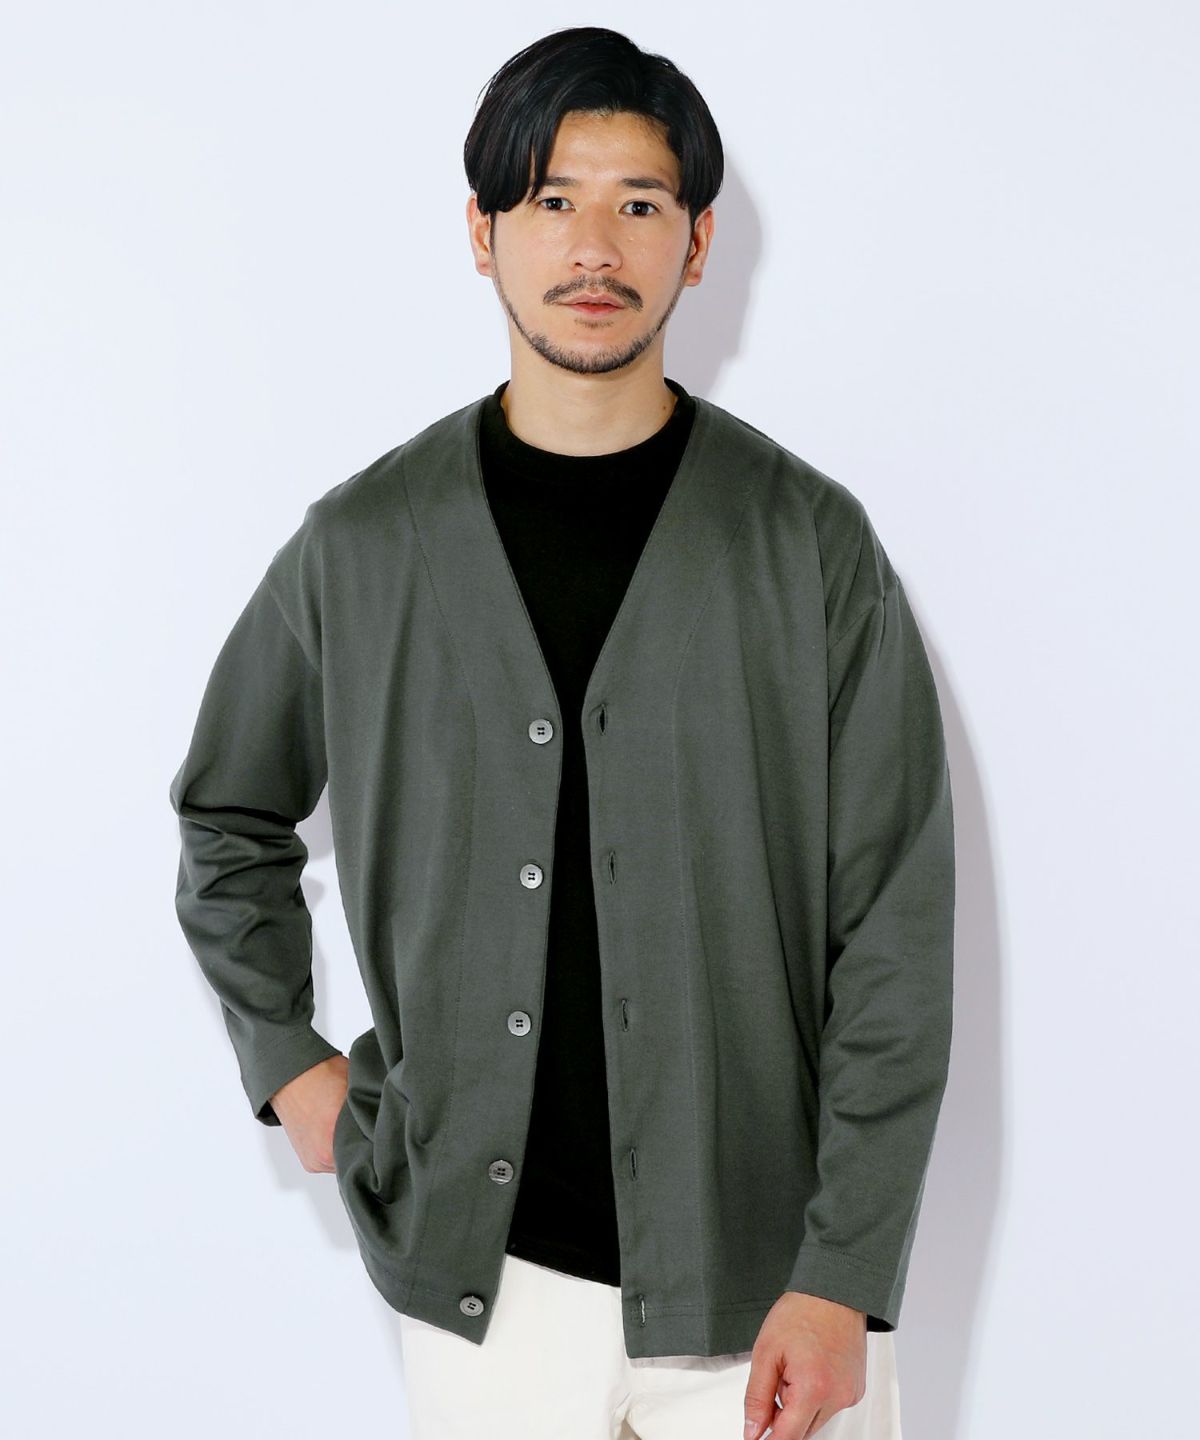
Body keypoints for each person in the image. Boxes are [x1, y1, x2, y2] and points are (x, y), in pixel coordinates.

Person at [169, 25, 954, 1440]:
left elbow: (893, 926)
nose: (594, 246)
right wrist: (287, 1059)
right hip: (487, 1293)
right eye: (551, 200)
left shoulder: (808, 544)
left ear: (697, 244)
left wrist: (844, 1274)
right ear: (482, 234)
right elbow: (228, 815)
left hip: (767, 1286)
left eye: (638, 204)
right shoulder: (366, 545)